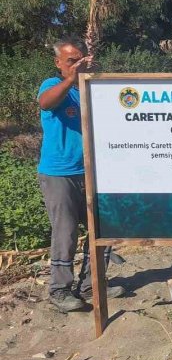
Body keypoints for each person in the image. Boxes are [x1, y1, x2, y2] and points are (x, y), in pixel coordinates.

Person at [38, 37, 124, 313]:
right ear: (58, 63)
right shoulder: (53, 86)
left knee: (103, 228)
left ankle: (91, 283)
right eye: (70, 61)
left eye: (80, 60)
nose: (76, 65)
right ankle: (59, 289)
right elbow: (45, 103)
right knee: (65, 231)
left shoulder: (88, 90)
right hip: (60, 173)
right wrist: (70, 79)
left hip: (91, 172)